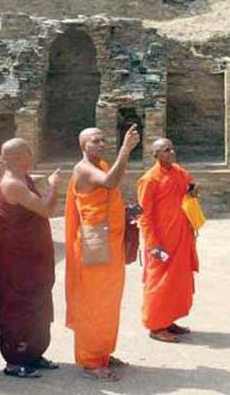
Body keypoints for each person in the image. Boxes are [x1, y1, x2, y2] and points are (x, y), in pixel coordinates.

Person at [65, 124, 141, 381]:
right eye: (95, 141)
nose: (101, 144)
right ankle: (90, 361)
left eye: (103, 140)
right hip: (93, 243)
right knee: (93, 302)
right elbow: (110, 184)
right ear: (83, 146)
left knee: (109, 300)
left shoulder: (102, 164)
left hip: (109, 239)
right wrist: (126, 150)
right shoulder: (84, 169)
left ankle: (103, 352)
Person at [0, 138, 62, 379]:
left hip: (34, 258)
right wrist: (54, 186)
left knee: (38, 305)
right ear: (17, 157)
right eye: (28, 151)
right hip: (18, 261)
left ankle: (34, 353)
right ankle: (15, 360)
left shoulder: (24, 178)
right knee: (19, 308)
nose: (32, 154)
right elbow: (45, 209)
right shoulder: (13, 183)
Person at [136, 138, 199, 343]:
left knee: (178, 280)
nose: (171, 152)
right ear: (155, 155)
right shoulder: (149, 179)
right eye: (165, 150)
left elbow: (189, 189)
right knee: (159, 283)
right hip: (161, 242)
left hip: (181, 237)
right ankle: (156, 325)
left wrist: (193, 191)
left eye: (172, 148)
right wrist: (153, 244)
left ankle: (168, 319)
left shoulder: (180, 172)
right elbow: (144, 215)